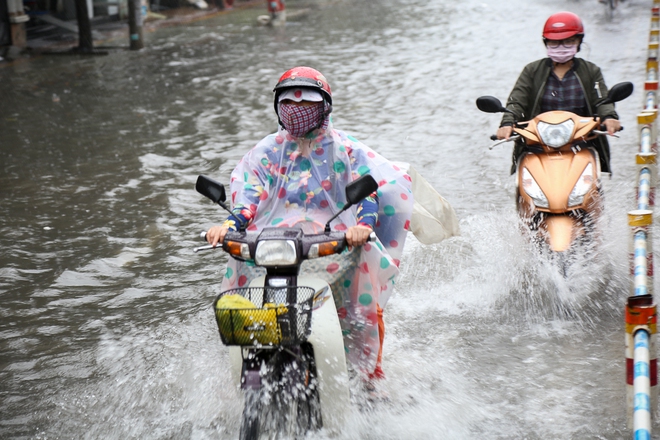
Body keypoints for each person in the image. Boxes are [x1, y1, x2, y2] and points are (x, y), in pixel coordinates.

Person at [206, 66, 413, 382]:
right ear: (278, 107)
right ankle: (242, 366)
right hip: (275, 240)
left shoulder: (345, 150)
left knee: (363, 307)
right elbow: (249, 195)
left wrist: (363, 226)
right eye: (290, 104)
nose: (298, 112)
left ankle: (372, 377)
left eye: (307, 105)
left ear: (324, 107)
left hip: (336, 239)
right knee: (244, 291)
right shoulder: (267, 151)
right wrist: (228, 224)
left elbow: (364, 192)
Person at [496, 11, 621, 174]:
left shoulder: (591, 71)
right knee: (525, 185)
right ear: (546, 43)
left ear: (579, 42)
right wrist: (507, 123)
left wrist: (609, 117)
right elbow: (517, 101)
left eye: (568, 41)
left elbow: (602, 100)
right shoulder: (532, 71)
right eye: (554, 43)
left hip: (580, 142)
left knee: (590, 187)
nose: (561, 47)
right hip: (538, 143)